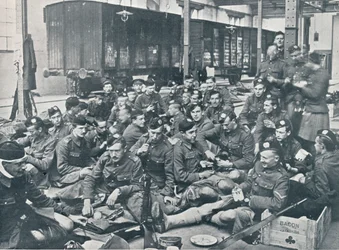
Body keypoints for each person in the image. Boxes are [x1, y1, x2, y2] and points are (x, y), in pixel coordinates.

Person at [151, 140, 289, 234]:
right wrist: (239, 188)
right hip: (243, 200)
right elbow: (249, 182)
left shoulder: (281, 177)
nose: (261, 160)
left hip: (259, 212)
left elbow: (277, 204)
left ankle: (210, 219)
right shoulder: (259, 165)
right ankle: (168, 222)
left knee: (229, 215)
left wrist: (250, 200)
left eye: (265, 158)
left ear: (276, 159)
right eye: (261, 157)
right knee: (210, 206)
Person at [0, 141, 77, 249]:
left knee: (68, 224)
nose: (24, 167)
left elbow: (40, 199)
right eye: (18, 164)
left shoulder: (23, 175)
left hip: (25, 214)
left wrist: (67, 214)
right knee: (35, 239)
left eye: (24, 162)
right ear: (4, 164)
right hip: (6, 226)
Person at [287, 129, 336, 219]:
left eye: (316, 143)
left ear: (322, 146)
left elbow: (321, 193)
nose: (314, 145)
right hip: (335, 192)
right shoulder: (335, 155)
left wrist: (305, 180)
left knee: (294, 182)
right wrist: (309, 175)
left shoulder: (320, 164)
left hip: (332, 204)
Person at [294, 52, 330, 153]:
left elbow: (315, 94)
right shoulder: (314, 72)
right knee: (307, 141)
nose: (305, 65)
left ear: (312, 62)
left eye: (307, 62)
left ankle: (317, 165)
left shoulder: (322, 74)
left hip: (317, 112)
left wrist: (302, 87)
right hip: (311, 109)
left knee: (316, 141)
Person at [130, 117, 175, 196]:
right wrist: (139, 151)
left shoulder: (167, 147)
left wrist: (164, 194)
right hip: (140, 179)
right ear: (148, 130)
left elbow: (170, 175)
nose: (155, 136)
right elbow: (129, 154)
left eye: (158, 133)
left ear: (162, 132)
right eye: (153, 133)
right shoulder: (144, 138)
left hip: (156, 185)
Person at [52, 116, 95, 199]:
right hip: (62, 177)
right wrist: (80, 171)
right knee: (85, 181)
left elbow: (87, 158)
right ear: (73, 128)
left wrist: (92, 165)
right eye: (81, 128)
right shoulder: (65, 144)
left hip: (77, 171)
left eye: (85, 128)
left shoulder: (84, 141)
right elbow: (62, 168)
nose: (84, 131)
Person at [173, 119, 215, 193]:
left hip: (202, 180)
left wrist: (202, 163)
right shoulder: (178, 149)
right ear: (182, 133)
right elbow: (180, 176)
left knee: (224, 184)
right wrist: (200, 175)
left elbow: (200, 160)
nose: (195, 135)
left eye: (195, 131)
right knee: (210, 192)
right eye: (191, 132)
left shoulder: (196, 144)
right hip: (187, 186)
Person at [17, 116, 57, 187]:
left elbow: (45, 165)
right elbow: (19, 142)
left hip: (43, 174)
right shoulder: (33, 136)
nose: (30, 134)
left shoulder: (50, 142)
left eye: (31, 131)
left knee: (25, 168)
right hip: (32, 167)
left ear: (40, 129)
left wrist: (28, 158)